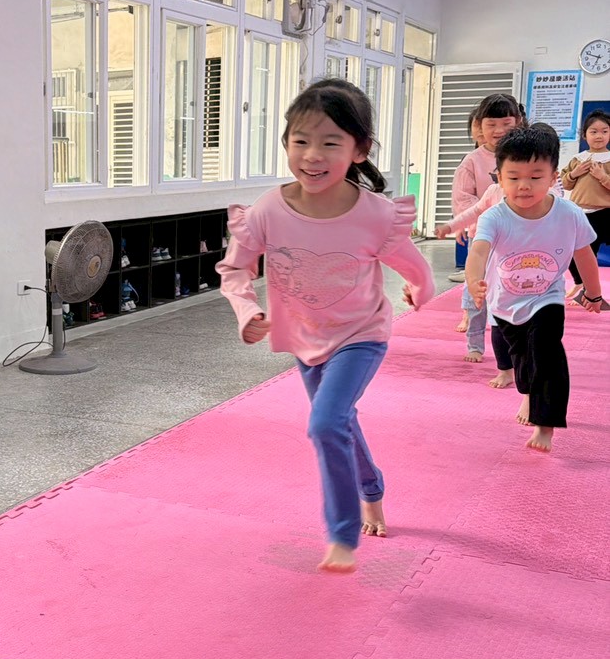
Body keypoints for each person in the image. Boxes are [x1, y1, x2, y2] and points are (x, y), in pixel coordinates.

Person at [218, 78, 434, 574]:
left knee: (325, 422)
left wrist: (420, 291)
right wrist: (247, 311)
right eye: (301, 141)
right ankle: (372, 489)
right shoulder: (267, 210)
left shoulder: (375, 215)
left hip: (361, 335)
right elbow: (235, 269)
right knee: (341, 421)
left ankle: (341, 535)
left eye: (330, 143)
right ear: (286, 144)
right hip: (304, 337)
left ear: (359, 150)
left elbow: (414, 265)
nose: (312, 155)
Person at [466, 124, 602, 453]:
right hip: (506, 304)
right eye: (513, 177)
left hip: (547, 298)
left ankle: (546, 424)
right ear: (499, 178)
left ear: (554, 176)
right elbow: (479, 252)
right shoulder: (494, 217)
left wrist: (594, 293)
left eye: (535, 177)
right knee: (523, 363)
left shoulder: (569, 214)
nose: (524, 186)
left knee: (548, 354)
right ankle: (528, 394)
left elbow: (584, 255)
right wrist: (474, 281)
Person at [436, 178, 515, 388]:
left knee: (505, 309)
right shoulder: (494, 191)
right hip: (483, 246)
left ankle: (515, 356)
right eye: (512, 176)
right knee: (477, 298)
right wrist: (451, 226)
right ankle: (475, 346)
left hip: (512, 259)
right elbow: (473, 212)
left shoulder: (540, 194)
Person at [449, 93, 522, 293]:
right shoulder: (472, 160)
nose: (499, 130)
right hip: (484, 232)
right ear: (480, 125)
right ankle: (473, 310)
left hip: (519, 232)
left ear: (518, 122)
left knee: (514, 279)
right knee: (477, 278)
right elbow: (463, 198)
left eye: (506, 124)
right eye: (491, 124)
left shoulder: (525, 156)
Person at [561, 110, 610, 296]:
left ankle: (591, 290)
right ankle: (581, 284)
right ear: (584, 135)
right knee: (572, 251)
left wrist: (602, 176)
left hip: (605, 212)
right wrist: (575, 173)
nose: (599, 136)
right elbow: (564, 183)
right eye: (593, 131)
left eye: (604, 131)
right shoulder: (578, 159)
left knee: (589, 253)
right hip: (580, 212)